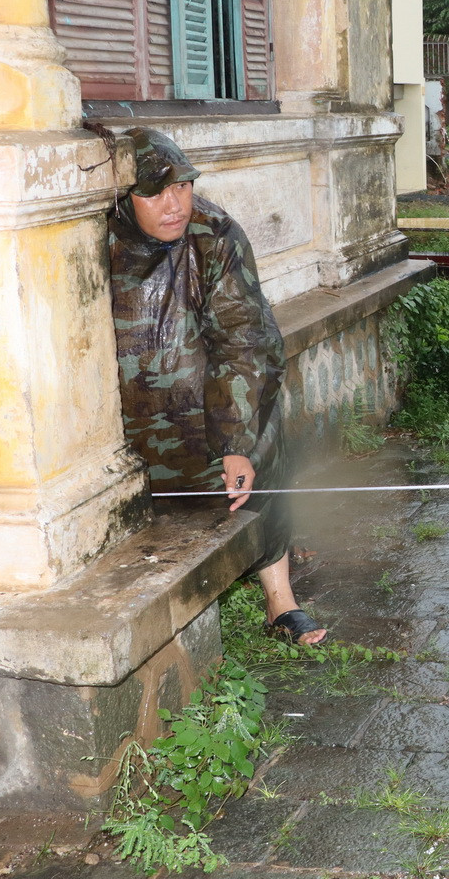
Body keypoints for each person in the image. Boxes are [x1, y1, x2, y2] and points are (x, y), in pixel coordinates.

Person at [108, 127, 326, 645]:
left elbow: (244, 343)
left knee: (265, 442)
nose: (174, 204)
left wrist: (234, 444)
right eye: (154, 192)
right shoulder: (90, 241)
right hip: (126, 430)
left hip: (208, 419)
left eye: (182, 187)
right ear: (123, 197)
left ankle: (280, 599)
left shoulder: (214, 235)